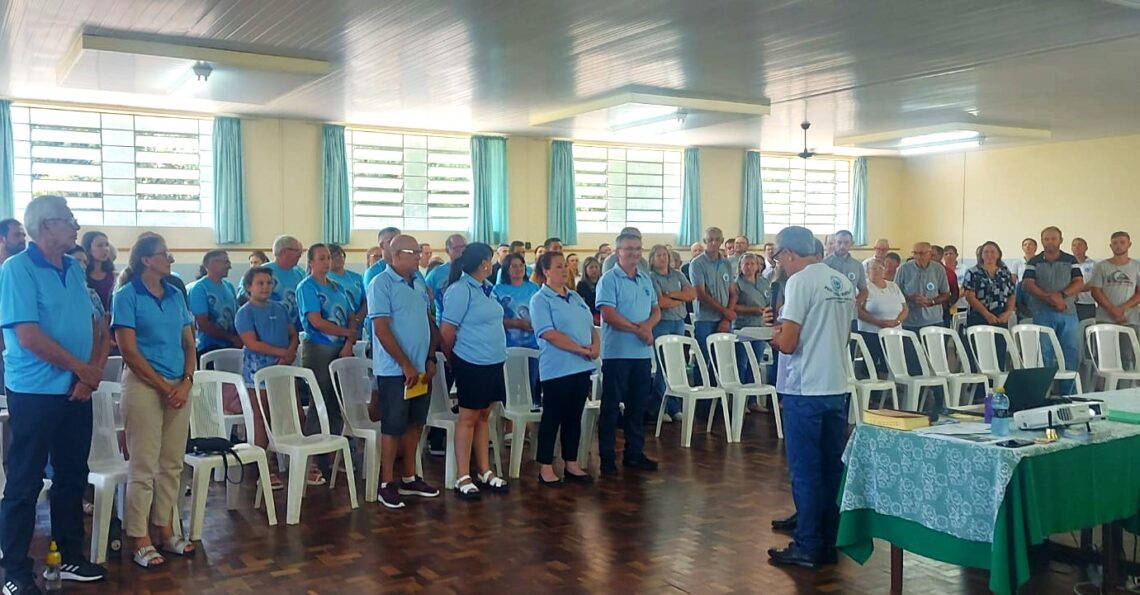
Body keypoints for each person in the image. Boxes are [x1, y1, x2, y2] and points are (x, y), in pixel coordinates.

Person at [0, 196, 110, 593]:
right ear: (47, 227)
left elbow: (99, 325)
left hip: (76, 391)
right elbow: (28, 336)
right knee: (25, 482)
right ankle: (14, 570)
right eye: (69, 220)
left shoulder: (73, 269)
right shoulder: (18, 270)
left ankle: (69, 556)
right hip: (35, 393)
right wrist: (81, 368)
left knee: (71, 475)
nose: (76, 225)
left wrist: (91, 373)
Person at [767, 226, 854, 569]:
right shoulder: (842, 281)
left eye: (778, 256)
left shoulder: (799, 282)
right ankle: (829, 536)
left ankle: (807, 544)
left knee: (804, 470)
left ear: (789, 253)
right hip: (836, 384)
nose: (779, 263)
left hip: (805, 387)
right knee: (831, 467)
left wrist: (771, 336)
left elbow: (788, 344)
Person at [112, 233, 197, 569]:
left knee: (172, 462)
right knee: (144, 464)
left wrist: (187, 381)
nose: (171, 259)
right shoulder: (126, 296)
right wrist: (163, 386)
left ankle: (164, 527)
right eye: (164, 254)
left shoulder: (176, 295)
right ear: (146, 260)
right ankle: (139, 536)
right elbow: (128, 350)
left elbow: (189, 344)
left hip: (179, 385)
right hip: (145, 386)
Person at [368, 235, 441, 508]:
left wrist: (431, 357)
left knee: (415, 423)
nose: (419, 256)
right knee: (393, 425)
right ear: (397, 254)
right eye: (414, 252)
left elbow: (429, 322)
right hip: (395, 371)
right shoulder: (381, 284)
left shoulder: (420, 282)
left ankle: (410, 477)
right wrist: (405, 363)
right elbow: (381, 328)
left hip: (422, 368)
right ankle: (387, 482)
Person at [440, 243, 509, 499]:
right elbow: (447, 333)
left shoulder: (487, 290)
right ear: (484, 263)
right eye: (490, 260)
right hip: (471, 362)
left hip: (492, 361)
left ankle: (484, 470)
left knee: (483, 416)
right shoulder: (460, 290)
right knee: (468, 418)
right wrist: (453, 361)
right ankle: (462, 475)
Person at [529, 252, 599, 486]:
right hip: (557, 368)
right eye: (558, 267)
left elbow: (591, 326)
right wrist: (580, 349)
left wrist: (595, 345)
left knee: (574, 417)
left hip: (581, 367)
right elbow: (549, 333)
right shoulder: (541, 299)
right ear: (546, 271)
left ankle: (571, 462)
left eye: (565, 266)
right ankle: (546, 466)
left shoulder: (576, 297)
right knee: (553, 417)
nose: (564, 270)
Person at [596, 232, 661, 476]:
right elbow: (609, 314)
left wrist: (647, 327)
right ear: (618, 252)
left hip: (642, 354)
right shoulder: (609, 279)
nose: (634, 253)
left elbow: (656, 310)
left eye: (637, 248)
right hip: (617, 354)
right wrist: (638, 330)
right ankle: (607, 457)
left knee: (637, 406)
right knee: (611, 406)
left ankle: (634, 453)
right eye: (628, 249)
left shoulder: (645, 279)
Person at [235, 266, 300, 492]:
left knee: (289, 414)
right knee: (262, 417)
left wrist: (290, 353)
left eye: (268, 283)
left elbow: (293, 335)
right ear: (248, 287)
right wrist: (283, 353)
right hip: (258, 372)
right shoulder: (245, 312)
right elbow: (252, 343)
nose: (265, 287)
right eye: (260, 283)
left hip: (282, 368)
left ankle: (295, 460)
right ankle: (264, 468)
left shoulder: (280, 308)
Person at [297, 244, 356, 476]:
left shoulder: (337, 286)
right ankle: (311, 458)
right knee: (318, 400)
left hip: (340, 348)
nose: (326, 262)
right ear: (311, 262)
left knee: (336, 402)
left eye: (328, 258)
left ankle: (330, 454)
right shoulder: (307, 287)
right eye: (321, 258)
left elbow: (351, 316)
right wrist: (346, 334)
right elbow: (316, 321)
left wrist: (349, 342)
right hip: (319, 347)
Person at [1022, 227, 1083, 393]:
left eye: (1053, 239)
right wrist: (1049, 297)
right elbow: (1027, 283)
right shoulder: (1034, 261)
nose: (1050, 242)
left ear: (1060, 240)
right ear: (1042, 241)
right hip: (1043, 314)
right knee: (1044, 354)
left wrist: (1061, 296)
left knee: (1070, 354)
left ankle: (1067, 394)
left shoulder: (1070, 260)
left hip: (1068, 313)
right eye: (1046, 239)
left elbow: (1079, 281)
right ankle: (1043, 393)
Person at [648, 244, 694, 423]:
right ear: (652, 259)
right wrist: (679, 297)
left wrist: (671, 295)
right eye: (658, 255)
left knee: (676, 365)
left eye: (665, 255)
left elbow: (691, 294)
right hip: (662, 323)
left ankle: (674, 405)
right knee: (663, 366)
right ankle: (660, 407)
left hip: (678, 323)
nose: (662, 258)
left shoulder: (678, 274)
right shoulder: (651, 277)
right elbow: (661, 303)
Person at [894, 242, 951, 377]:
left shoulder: (938, 269)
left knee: (935, 359)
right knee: (912, 360)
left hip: (934, 320)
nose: (918, 257)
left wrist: (931, 301)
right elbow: (895, 293)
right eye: (915, 253)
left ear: (930, 254)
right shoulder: (904, 269)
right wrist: (910, 298)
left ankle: (937, 393)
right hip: (911, 322)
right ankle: (917, 393)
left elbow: (946, 294)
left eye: (922, 253)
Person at [493, 252, 541, 409]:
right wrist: (514, 323)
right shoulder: (498, 290)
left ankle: (528, 426)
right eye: (514, 266)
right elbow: (494, 318)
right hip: (509, 345)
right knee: (511, 385)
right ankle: (510, 424)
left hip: (532, 345)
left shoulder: (533, 288)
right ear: (507, 269)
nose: (518, 269)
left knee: (531, 384)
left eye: (521, 265)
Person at [688, 227, 735, 383]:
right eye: (710, 240)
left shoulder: (726, 263)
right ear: (705, 241)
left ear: (722, 241)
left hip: (724, 319)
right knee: (703, 358)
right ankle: (702, 401)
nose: (714, 243)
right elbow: (701, 294)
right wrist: (725, 312)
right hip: (705, 319)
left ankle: (718, 399)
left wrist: (727, 318)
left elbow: (733, 292)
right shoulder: (697, 263)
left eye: (717, 239)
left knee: (722, 360)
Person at [961, 241, 1017, 371]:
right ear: (981, 255)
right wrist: (986, 314)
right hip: (979, 317)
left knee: (998, 353)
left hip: (1000, 317)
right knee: (980, 354)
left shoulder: (1005, 272)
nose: (989, 255)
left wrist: (1008, 312)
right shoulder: (973, 272)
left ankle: (996, 387)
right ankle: (978, 388)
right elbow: (969, 296)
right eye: (986, 252)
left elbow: (1012, 295)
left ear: (998, 255)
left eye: (993, 252)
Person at [731, 253, 774, 396]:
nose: (749, 267)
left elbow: (769, 301)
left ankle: (752, 399)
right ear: (740, 266)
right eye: (746, 264)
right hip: (743, 327)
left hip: (760, 327)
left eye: (752, 264)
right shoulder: (736, 284)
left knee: (755, 363)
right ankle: (740, 396)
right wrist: (752, 310)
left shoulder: (763, 282)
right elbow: (732, 306)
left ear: (757, 266)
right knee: (741, 363)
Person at [856, 260, 908, 374]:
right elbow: (857, 310)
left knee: (893, 364)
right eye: (873, 268)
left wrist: (897, 321)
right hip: (872, 332)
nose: (877, 271)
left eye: (880, 268)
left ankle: (891, 388)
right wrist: (878, 322)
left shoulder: (893, 285)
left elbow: (905, 308)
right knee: (872, 366)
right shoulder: (864, 287)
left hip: (894, 332)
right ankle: (873, 390)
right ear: (867, 271)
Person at [188, 250, 241, 357]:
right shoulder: (200, 288)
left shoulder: (229, 286)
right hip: (210, 348)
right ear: (212, 263)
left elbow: (237, 315)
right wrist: (231, 337)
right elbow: (203, 324)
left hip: (232, 346)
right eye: (225, 262)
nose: (229, 266)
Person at [251, 235, 306, 328]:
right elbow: (246, 298)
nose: (300, 254)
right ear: (284, 251)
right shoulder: (262, 271)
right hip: (267, 327)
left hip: (294, 329)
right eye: (297, 250)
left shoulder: (299, 273)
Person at [1088, 232, 1140, 327]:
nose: (1118, 246)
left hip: (1130, 319)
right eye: (1115, 243)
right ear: (1111, 246)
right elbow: (1095, 291)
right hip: (1105, 320)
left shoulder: (1137, 267)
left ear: (1129, 244)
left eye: (1122, 242)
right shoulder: (1100, 266)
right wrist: (1112, 309)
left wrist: (1122, 309)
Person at [425, 234, 468, 324]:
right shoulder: (436, 273)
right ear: (447, 251)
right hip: (445, 324)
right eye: (456, 248)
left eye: (463, 247)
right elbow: (424, 297)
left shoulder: (473, 270)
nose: (461, 251)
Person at [823, 230, 868, 308]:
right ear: (835, 243)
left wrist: (856, 302)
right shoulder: (824, 264)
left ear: (851, 244)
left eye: (846, 242)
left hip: (850, 312)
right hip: (828, 311)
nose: (842, 246)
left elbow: (864, 291)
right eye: (839, 242)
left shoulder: (857, 265)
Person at [82, 230, 116, 312]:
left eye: (107, 245)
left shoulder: (112, 275)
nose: (105, 249)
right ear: (89, 249)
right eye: (100, 246)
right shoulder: (82, 275)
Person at [1072, 237, 1098, 321]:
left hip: (1087, 303)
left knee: (1086, 329)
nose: (1077, 247)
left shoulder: (1094, 264)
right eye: (1074, 245)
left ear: (1086, 248)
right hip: (1070, 303)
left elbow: (1093, 283)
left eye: (1080, 245)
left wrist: (1075, 290)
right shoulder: (1067, 264)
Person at [577, 256, 602, 324]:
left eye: (596, 267)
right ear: (585, 269)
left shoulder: (603, 282)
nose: (594, 270)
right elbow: (581, 305)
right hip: (589, 317)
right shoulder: (582, 285)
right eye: (591, 267)